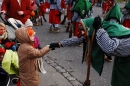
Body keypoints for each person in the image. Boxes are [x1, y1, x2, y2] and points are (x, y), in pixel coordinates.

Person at [50, 2, 130, 86]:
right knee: (116, 81)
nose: (82, 33)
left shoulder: (109, 30)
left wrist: (99, 29)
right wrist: (58, 44)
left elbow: (109, 47)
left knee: (125, 81)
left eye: (83, 30)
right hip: (122, 57)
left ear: (90, 28)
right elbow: (79, 39)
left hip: (127, 52)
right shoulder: (93, 31)